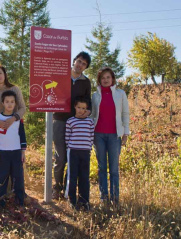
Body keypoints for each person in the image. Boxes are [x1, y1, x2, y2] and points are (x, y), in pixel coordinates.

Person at [53, 51, 92, 200]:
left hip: (77, 124)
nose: (80, 65)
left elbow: (88, 103)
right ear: (74, 61)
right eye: (79, 61)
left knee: (72, 158)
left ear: (85, 67)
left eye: (84, 64)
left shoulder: (86, 82)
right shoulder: (61, 76)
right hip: (60, 120)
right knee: (60, 157)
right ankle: (57, 187)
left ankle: (69, 191)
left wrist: (86, 113)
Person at [91, 67, 129, 205]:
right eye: (103, 78)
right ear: (99, 80)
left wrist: (126, 133)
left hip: (114, 135)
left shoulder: (120, 94)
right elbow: (92, 115)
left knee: (114, 168)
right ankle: (103, 197)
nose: (106, 80)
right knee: (102, 168)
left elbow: (125, 114)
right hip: (98, 135)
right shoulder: (95, 95)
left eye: (108, 77)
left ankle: (115, 197)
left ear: (112, 79)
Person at [0, 90, 27, 208]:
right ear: (3, 103)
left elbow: (22, 134)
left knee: (18, 178)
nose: (10, 104)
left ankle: (19, 202)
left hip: (16, 153)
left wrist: (23, 151)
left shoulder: (17, 119)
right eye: (7, 101)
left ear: (15, 103)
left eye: (12, 102)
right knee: (2, 179)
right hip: (2, 153)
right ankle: (0, 203)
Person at [64, 97, 94, 211]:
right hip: (73, 151)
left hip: (85, 152)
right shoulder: (70, 121)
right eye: (79, 107)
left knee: (84, 177)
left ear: (86, 109)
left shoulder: (89, 121)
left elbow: (91, 136)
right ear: (75, 107)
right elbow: (67, 137)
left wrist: (89, 148)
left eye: (83, 108)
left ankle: (84, 201)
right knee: (72, 176)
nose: (81, 110)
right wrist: (69, 148)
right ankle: (72, 201)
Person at [0, 64, 26, 130]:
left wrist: (13, 119)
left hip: (15, 124)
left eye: (0, 73)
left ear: (4, 74)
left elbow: (23, 108)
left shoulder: (15, 89)